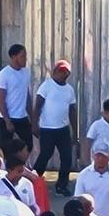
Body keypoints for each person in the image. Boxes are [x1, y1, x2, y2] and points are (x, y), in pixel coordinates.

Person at [33, 59, 77, 196]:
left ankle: (62, 186)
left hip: (63, 129)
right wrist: (34, 125)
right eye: (61, 71)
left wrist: (75, 132)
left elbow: (72, 111)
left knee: (67, 157)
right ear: (54, 72)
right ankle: (33, 180)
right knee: (45, 155)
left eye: (66, 72)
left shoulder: (69, 90)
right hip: (47, 129)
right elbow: (37, 107)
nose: (64, 74)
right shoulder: (46, 86)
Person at [0, 44, 32, 151]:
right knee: (7, 148)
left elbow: (27, 95)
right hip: (8, 117)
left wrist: (32, 117)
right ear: (14, 57)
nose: (25, 59)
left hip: (22, 117)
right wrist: (7, 121)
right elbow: (1, 99)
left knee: (28, 146)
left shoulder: (26, 73)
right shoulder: (4, 74)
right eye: (22, 56)